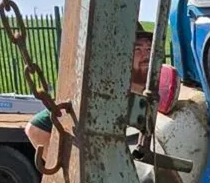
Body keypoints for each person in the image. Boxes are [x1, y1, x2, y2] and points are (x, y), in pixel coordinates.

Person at [23, 22, 154, 166]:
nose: (146, 55)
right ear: (120, 57)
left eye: (149, 49)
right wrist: (67, 172)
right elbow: (35, 129)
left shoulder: (163, 93)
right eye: (137, 50)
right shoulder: (101, 97)